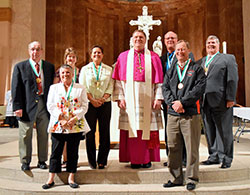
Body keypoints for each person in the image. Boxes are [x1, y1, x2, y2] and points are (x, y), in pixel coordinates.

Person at [112, 30, 163, 169]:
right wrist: (120, 97)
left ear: (146, 40)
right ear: (131, 39)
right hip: (129, 102)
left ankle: (147, 159)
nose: (138, 39)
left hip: (149, 100)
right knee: (132, 131)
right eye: (136, 37)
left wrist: (158, 97)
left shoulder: (153, 57)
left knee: (147, 131)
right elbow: (117, 81)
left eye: (141, 37)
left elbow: (159, 82)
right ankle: (133, 159)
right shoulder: (123, 57)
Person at [162, 40, 206, 190]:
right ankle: (176, 178)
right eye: (177, 50)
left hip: (190, 115)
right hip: (173, 115)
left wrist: (183, 103)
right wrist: (173, 103)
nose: (180, 52)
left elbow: (199, 89)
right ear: (174, 52)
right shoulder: (171, 70)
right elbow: (165, 88)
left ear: (188, 51)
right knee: (173, 146)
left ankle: (192, 179)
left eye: (183, 49)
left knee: (191, 147)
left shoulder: (197, 69)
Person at [42, 64, 90, 189]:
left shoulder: (80, 88)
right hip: (58, 124)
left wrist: (75, 118)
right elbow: (50, 105)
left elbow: (85, 105)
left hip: (75, 124)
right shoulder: (54, 88)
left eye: (68, 72)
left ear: (72, 74)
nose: (65, 75)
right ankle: (51, 177)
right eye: (63, 73)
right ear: (60, 75)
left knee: (73, 151)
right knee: (55, 151)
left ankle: (71, 176)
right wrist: (61, 119)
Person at [11, 41, 55, 171]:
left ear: (42, 51)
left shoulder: (49, 67)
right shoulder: (20, 67)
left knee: (43, 134)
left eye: (38, 49)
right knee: (25, 134)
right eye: (32, 49)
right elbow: (16, 88)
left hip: (44, 105)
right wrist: (17, 106)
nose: (35, 52)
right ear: (29, 51)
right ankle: (25, 161)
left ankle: (42, 160)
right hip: (26, 106)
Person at [199, 35, 238, 169]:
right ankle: (213, 155)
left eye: (213, 42)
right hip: (205, 101)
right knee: (209, 130)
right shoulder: (202, 61)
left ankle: (227, 157)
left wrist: (230, 98)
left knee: (224, 131)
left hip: (222, 100)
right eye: (208, 43)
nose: (211, 45)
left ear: (218, 45)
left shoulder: (227, 58)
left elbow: (232, 79)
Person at [160, 31, 195, 167]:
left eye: (172, 38)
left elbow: (189, 79)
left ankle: (185, 158)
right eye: (167, 38)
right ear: (164, 41)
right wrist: (169, 100)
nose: (170, 40)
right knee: (170, 130)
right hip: (168, 101)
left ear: (177, 40)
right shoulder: (162, 58)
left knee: (184, 131)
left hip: (182, 100)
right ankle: (172, 158)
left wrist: (180, 101)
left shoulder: (186, 55)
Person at [79, 45, 114, 169]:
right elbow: (83, 86)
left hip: (105, 103)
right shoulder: (85, 69)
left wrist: (103, 99)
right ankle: (92, 160)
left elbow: (111, 86)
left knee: (105, 132)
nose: (97, 55)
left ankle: (102, 160)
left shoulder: (109, 69)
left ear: (102, 55)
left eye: (99, 53)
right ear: (91, 55)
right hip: (90, 103)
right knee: (90, 132)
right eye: (94, 53)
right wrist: (92, 100)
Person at [54, 47, 79, 168]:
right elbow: (55, 87)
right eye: (69, 56)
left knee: (73, 136)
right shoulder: (61, 70)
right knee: (63, 134)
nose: (71, 58)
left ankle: (72, 160)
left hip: (75, 107)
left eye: (73, 57)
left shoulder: (80, 71)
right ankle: (64, 159)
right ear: (65, 58)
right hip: (63, 107)